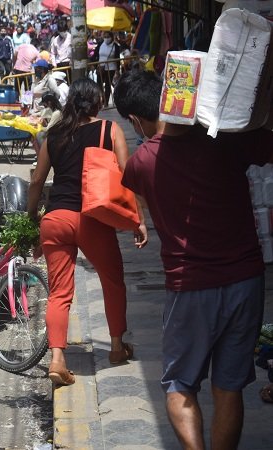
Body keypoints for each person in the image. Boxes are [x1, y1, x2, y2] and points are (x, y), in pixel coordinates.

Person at [114, 69, 273, 450]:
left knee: (180, 385)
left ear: (136, 119)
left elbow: (135, 192)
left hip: (190, 288)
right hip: (246, 281)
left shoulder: (142, 163)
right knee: (229, 387)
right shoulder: (226, 141)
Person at [27, 78, 136, 387]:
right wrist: (137, 217)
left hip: (56, 218)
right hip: (93, 219)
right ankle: (116, 347)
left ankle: (57, 360)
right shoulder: (108, 130)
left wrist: (32, 215)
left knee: (59, 293)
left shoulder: (54, 135)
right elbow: (127, 175)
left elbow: (36, 181)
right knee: (112, 281)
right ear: (98, 102)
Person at [92, 31, 120, 107]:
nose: (106, 38)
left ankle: (106, 102)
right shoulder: (101, 44)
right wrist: (94, 65)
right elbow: (95, 55)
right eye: (105, 36)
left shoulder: (116, 46)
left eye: (108, 37)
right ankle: (100, 100)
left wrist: (117, 70)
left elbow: (118, 59)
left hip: (111, 69)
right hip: (100, 67)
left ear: (111, 37)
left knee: (108, 86)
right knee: (99, 85)